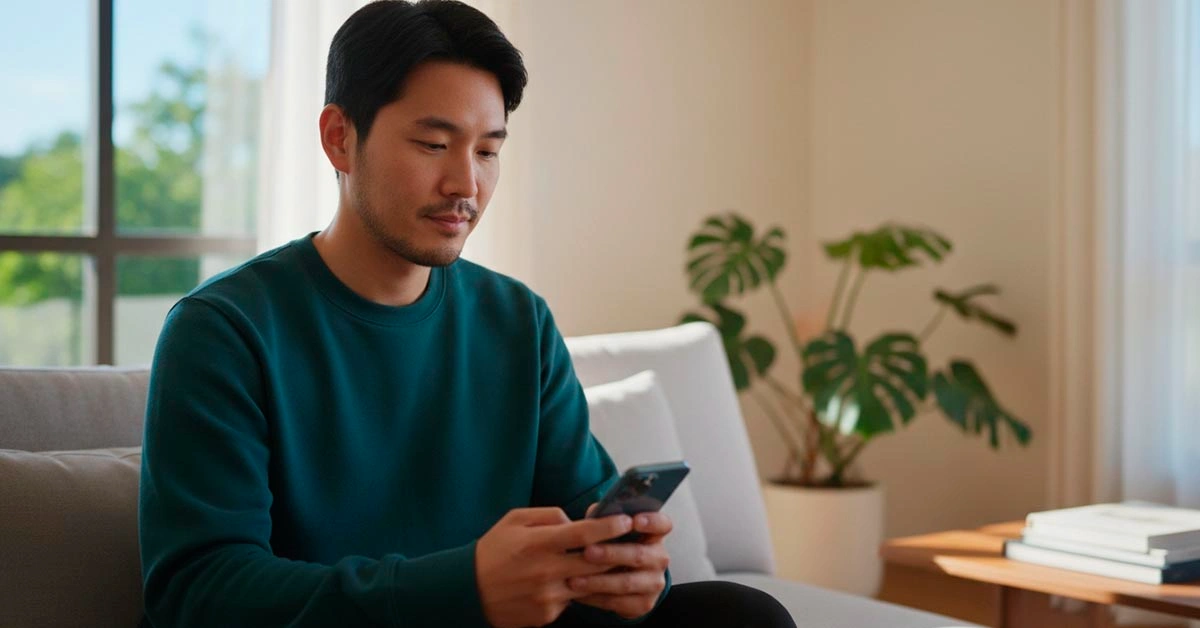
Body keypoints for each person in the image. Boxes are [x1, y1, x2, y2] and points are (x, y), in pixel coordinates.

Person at [137, 1, 796, 626]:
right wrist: (464, 589)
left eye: (487, 151)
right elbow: (200, 593)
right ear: (340, 139)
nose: (465, 185)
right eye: (433, 145)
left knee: (742, 616)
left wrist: (629, 573)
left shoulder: (518, 322)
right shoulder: (223, 330)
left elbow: (585, 522)